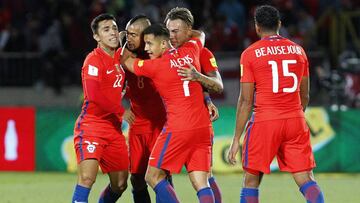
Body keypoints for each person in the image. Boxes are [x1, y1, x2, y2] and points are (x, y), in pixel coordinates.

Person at [227, 5, 325, 203]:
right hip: (295, 119)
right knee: (306, 179)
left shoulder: (250, 54)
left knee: (251, 181)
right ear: (279, 24)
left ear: (256, 27)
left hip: (265, 121)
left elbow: (246, 101)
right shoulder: (298, 50)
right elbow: (304, 94)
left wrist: (236, 138)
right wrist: (295, 115)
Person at [122, 23, 219, 203]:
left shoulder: (156, 66)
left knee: (152, 176)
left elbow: (125, 62)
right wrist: (184, 32)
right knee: (201, 182)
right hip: (203, 127)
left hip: (178, 129)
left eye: (150, 43)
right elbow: (200, 35)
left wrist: (126, 41)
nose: (147, 48)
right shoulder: (191, 49)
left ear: (164, 44)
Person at [165, 7, 223, 203]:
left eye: (176, 31)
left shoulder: (202, 52)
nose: (171, 36)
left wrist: (201, 84)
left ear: (188, 30)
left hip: (194, 121)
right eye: (169, 31)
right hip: (168, 119)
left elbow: (218, 84)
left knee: (205, 175)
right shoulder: (164, 53)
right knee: (161, 174)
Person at [71, 13, 128, 203]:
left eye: (114, 28)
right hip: (91, 127)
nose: (112, 32)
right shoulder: (93, 60)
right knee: (87, 178)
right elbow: (94, 96)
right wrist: (123, 111)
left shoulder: (122, 58)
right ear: (97, 37)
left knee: (120, 184)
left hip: (113, 128)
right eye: (106, 30)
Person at [121, 15, 167, 203]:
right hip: (137, 126)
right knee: (136, 179)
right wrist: (120, 109)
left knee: (161, 177)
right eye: (127, 34)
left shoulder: (159, 54)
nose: (128, 38)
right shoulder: (125, 55)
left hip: (160, 124)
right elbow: (111, 87)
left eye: (133, 34)